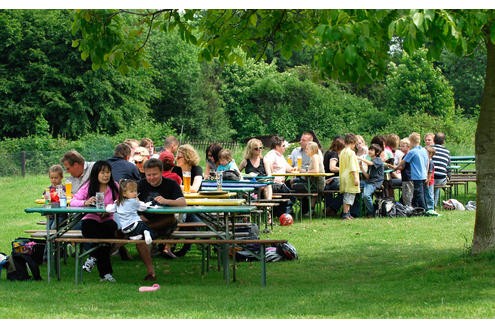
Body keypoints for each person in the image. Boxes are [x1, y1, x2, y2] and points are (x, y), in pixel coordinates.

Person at [70, 160, 120, 282]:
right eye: (102, 172)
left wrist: (109, 210)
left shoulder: (115, 186)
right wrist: (85, 203)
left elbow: (121, 203)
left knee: (108, 232)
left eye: (108, 172)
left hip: (107, 220)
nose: (106, 175)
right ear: (96, 173)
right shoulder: (88, 186)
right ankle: (106, 274)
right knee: (100, 239)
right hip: (90, 219)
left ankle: (93, 257)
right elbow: (73, 202)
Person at [105, 179, 157, 280]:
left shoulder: (118, 203)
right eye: (132, 191)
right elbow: (143, 208)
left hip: (126, 229)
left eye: (135, 191)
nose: (135, 193)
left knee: (136, 231)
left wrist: (109, 206)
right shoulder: (134, 202)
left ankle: (137, 236)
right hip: (136, 224)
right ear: (124, 193)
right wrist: (139, 201)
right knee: (148, 228)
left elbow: (109, 209)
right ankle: (146, 233)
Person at [138, 158, 186, 238]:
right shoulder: (141, 184)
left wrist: (166, 201)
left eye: (154, 174)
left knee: (170, 219)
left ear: (161, 172)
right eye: (148, 175)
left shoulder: (171, 184)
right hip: (145, 219)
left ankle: (143, 230)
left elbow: (183, 203)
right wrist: (139, 214)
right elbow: (130, 201)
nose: (152, 177)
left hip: (165, 222)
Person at [264, 136, 297, 217]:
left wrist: (294, 169)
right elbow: (267, 162)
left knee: (294, 189)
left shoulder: (280, 156)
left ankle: (283, 213)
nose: (285, 148)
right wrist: (271, 172)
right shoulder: (271, 154)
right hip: (274, 184)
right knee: (292, 196)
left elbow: (288, 168)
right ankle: (286, 214)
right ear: (277, 146)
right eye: (283, 146)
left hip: (281, 183)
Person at [394, 132, 428, 210]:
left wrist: (394, 169)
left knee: (419, 194)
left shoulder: (412, 152)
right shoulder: (423, 150)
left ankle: (424, 209)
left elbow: (402, 163)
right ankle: (416, 208)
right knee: (418, 193)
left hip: (416, 176)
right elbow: (427, 162)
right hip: (423, 174)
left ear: (411, 141)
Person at [358, 144, 384, 217]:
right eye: (369, 149)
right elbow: (368, 177)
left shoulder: (378, 160)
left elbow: (371, 163)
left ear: (377, 152)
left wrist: (360, 158)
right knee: (353, 185)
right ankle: (357, 211)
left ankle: (372, 211)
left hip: (375, 183)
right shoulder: (371, 161)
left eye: (372, 150)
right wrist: (361, 168)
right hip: (369, 181)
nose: (369, 151)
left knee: (366, 195)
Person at [339, 133, 360, 220]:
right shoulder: (351, 153)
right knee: (349, 196)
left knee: (346, 195)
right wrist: (355, 177)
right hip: (350, 176)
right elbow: (353, 166)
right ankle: (345, 213)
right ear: (353, 142)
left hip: (343, 175)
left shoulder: (342, 152)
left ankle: (348, 213)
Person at [323, 136, 345, 217]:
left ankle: (329, 208)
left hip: (326, 181)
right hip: (333, 180)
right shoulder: (334, 154)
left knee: (329, 192)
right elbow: (332, 167)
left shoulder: (327, 152)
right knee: (347, 189)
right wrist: (345, 169)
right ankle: (332, 208)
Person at [432, 132, 451, 208]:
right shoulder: (447, 151)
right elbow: (448, 166)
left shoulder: (430, 149)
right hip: (441, 179)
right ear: (443, 141)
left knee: (433, 184)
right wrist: (449, 176)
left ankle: (431, 205)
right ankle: (434, 205)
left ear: (434, 140)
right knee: (437, 186)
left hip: (430, 177)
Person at [305, 141, 325, 210]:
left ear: (312, 150)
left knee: (295, 186)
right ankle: (309, 209)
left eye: (307, 149)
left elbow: (316, 171)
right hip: (314, 183)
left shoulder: (314, 157)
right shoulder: (313, 157)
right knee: (296, 183)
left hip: (317, 184)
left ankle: (307, 209)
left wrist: (307, 172)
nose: (305, 150)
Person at [424, 145, 439, 216]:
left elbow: (430, 173)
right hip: (426, 181)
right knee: (426, 194)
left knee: (430, 195)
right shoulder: (426, 161)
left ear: (430, 154)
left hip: (429, 182)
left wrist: (428, 180)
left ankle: (431, 208)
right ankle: (427, 208)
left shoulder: (430, 162)